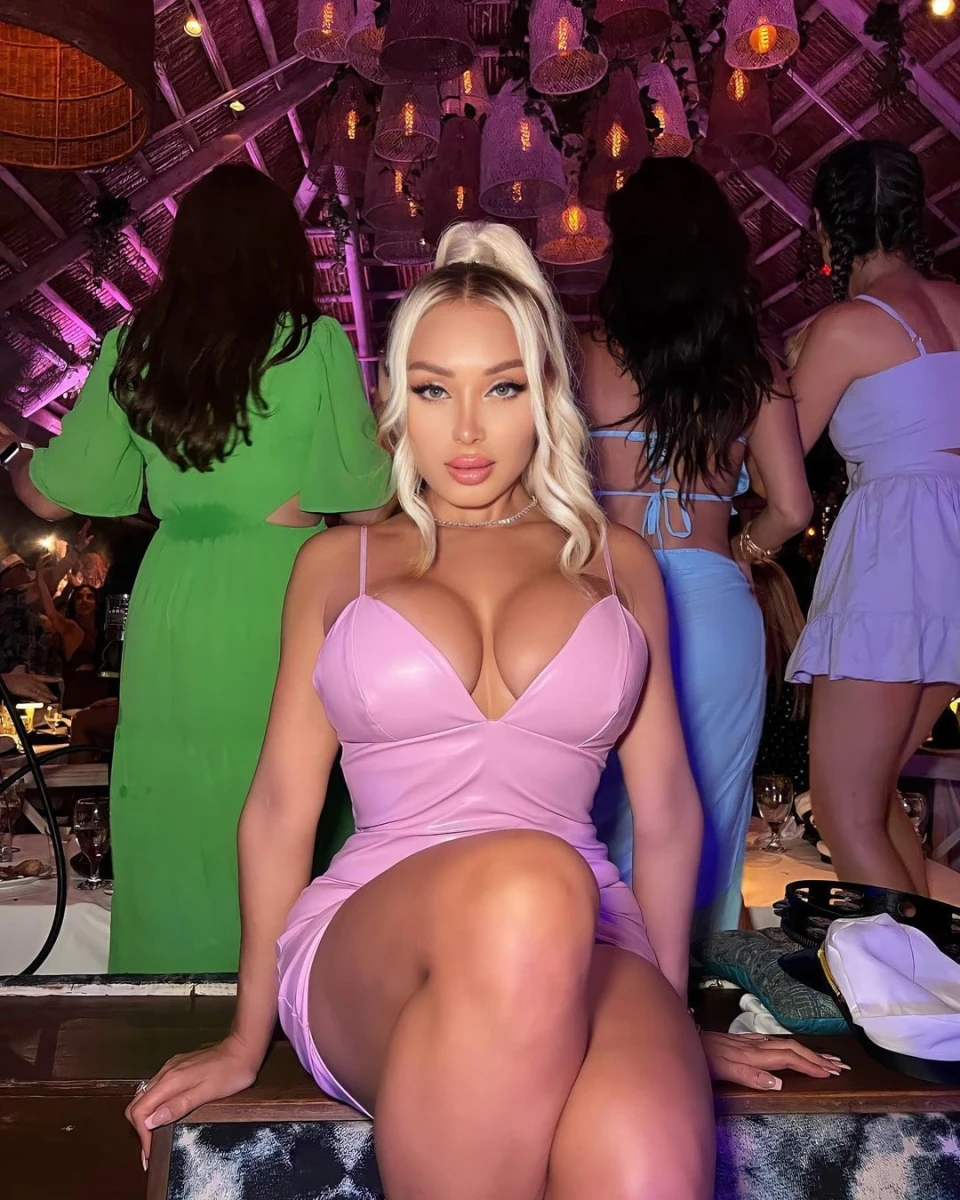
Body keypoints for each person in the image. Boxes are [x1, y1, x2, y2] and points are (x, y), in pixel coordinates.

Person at [127, 222, 843, 1194]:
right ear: (396, 401)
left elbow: (671, 811)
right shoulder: (339, 565)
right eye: (434, 389)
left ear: (544, 395)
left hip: (593, 935)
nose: (466, 431)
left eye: (501, 388)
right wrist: (245, 1037)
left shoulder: (620, 565)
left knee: (646, 1161)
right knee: (532, 886)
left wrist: (668, 1021)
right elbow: (281, 810)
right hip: (376, 942)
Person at [1, 163, 393, 973]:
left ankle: (175, 980)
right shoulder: (312, 342)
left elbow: (54, 493)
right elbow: (365, 504)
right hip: (290, 589)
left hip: (174, 594)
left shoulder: (134, 346)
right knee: (295, 786)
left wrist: (18, 456)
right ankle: (302, 985)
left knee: (175, 786)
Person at [584, 158, 812, 933]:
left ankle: (602, 973)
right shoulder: (754, 368)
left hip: (609, 592)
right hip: (717, 606)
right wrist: (741, 548)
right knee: (708, 808)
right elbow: (792, 507)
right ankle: (692, 975)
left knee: (598, 804)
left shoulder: (584, 357)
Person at [787, 139, 960, 898]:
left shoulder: (846, 327)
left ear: (828, 227)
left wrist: (782, 373)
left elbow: (774, 459)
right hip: (950, 557)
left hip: (896, 558)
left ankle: (908, 977)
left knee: (842, 810)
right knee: (875, 795)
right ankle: (931, 954)